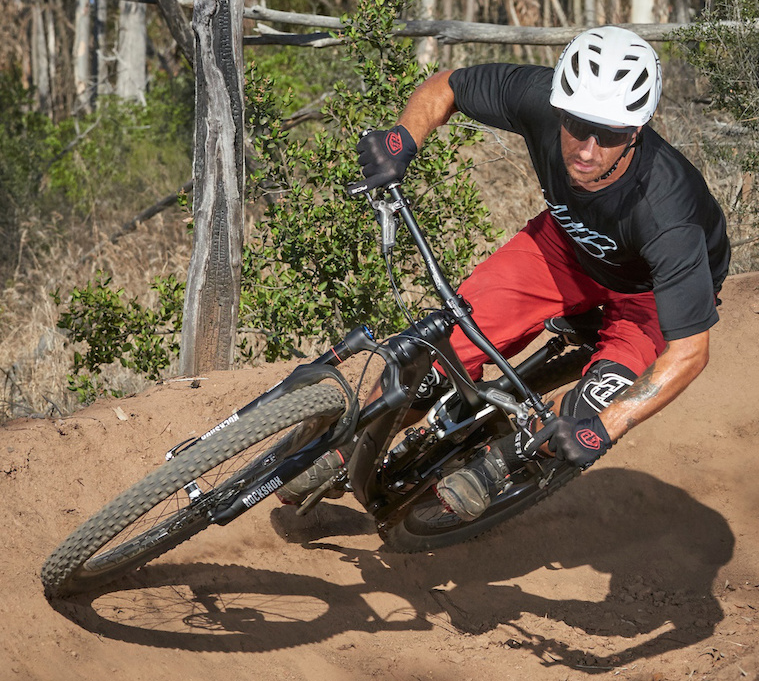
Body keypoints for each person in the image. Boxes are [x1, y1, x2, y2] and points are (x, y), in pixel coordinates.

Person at [279, 26, 731, 519]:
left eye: (611, 134)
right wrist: (402, 137)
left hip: (646, 295)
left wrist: (611, 423)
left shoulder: (670, 213)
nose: (587, 148)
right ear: (560, 107)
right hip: (565, 247)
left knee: (589, 415)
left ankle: (503, 465)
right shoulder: (539, 98)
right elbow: (447, 86)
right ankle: (350, 447)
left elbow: (690, 350)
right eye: (578, 124)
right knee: (443, 347)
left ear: (637, 132)